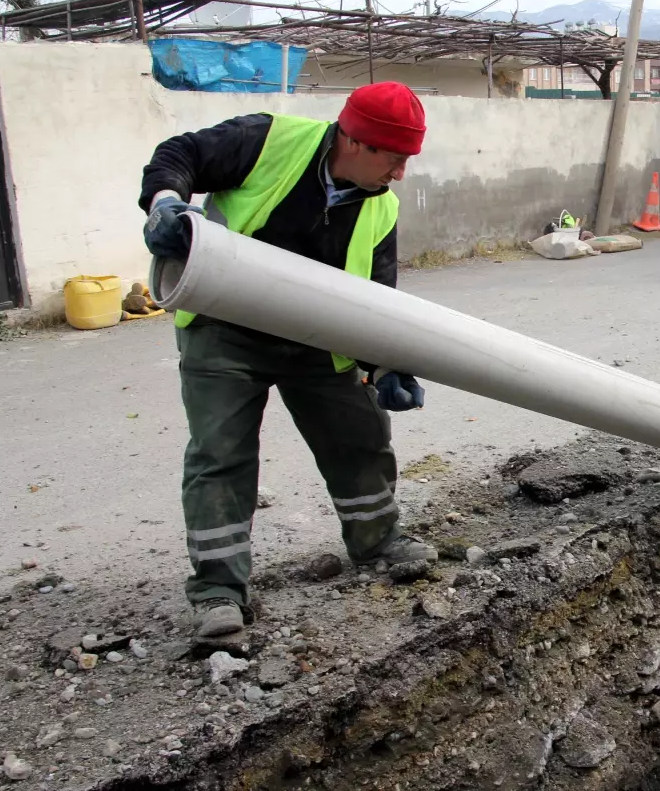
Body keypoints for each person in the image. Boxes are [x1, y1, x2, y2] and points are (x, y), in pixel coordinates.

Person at [139, 82, 437, 639]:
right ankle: (218, 591)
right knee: (220, 454)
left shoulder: (382, 207)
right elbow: (178, 155)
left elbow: (378, 296)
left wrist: (386, 363)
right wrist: (166, 204)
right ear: (355, 140)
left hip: (315, 338)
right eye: (394, 158)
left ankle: (377, 540)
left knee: (359, 434)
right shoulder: (267, 141)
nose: (400, 174)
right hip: (225, 330)